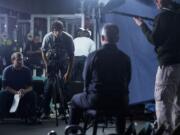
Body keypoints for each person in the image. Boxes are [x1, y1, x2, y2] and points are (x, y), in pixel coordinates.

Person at [68, 23, 131, 135]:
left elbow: (85, 78)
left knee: (74, 100)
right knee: (121, 100)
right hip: (120, 101)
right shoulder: (125, 57)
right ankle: (120, 132)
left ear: (102, 38)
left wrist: (87, 91)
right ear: (117, 38)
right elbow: (128, 80)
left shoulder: (93, 56)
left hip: (97, 100)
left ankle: (73, 132)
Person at [133, 0, 180, 134]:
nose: (155, 2)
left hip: (168, 67)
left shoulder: (162, 16)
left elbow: (155, 39)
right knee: (178, 105)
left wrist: (142, 25)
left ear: (160, 1)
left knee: (164, 104)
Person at [41, 20, 74, 118]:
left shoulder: (68, 38)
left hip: (64, 62)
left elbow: (72, 56)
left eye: (59, 30)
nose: (57, 33)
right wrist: (47, 65)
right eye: (55, 31)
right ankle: (45, 111)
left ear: (62, 30)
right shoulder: (47, 37)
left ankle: (63, 111)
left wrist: (68, 72)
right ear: (52, 30)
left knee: (64, 87)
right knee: (48, 87)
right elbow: (43, 51)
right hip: (52, 63)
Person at [0, 52, 38, 124]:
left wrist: (24, 91)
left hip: (23, 93)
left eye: (21, 60)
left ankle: (32, 116)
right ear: (13, 60)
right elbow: (5, 87)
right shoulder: (6, 70)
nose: (20, 62)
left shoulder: (27, 70)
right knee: (2, 94)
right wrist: (16, 92)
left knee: (33, 94)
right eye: (18, 60)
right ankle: (1, 116)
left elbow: (31, 87)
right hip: (11, 92)